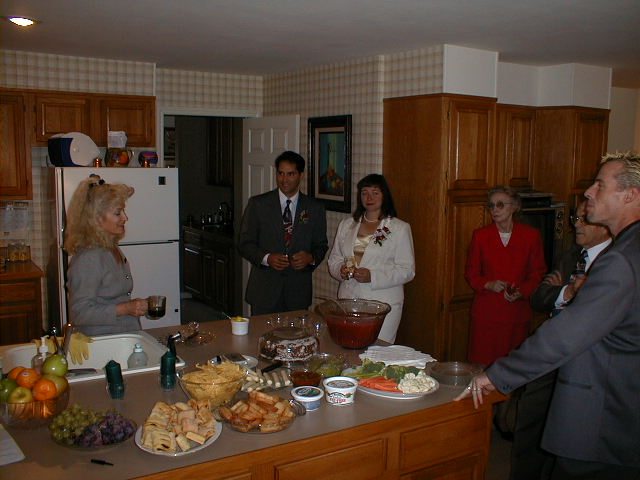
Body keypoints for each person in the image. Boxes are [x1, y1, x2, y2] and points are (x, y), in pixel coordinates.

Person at [457, 152, 640, 479]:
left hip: (603, 417)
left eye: (600, 185)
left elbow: (568, 333)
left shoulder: (619, 260)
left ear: (630, 195)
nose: (588, 192)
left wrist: (497, 375)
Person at [511, 201, 612, 480]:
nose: (576, 225)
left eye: (584, 219)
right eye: (575, 218)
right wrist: (566, 292)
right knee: (531, 422)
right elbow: (539, 297)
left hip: (588, 360)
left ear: (605, 226)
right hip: (549, 353)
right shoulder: (571, 257)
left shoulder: (615, 260)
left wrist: (566, 291)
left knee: (572, 435)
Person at [464, 185, 547, 366]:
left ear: (514, 206)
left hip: (516, 313)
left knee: (512, 366)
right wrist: (488, 284)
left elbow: (537, 273)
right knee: (482, 366)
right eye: (491, 205)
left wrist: (521, 291)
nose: (495, 209)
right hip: (487, 313)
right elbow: (471, 273)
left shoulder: (531, 236)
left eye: (500, 204)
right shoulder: (481, 236)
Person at [327, 174, 415, 343]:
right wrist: (341, 270)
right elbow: (334, 259)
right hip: (349, 299)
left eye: (375, 193)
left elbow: (407, 270)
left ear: (384, 195)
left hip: (382, 303)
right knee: (349, 345)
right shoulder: (347, 225)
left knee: (376, 351)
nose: (369, 198)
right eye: (364, 193)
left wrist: (373, 276)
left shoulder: (398, 228)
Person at [238, 151, 328, 315]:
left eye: (290, 174)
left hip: (297, 292)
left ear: (300, 175)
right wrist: (266, 258)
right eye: (280, 173)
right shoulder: (258, 204)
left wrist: (310, 258)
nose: (284, 179)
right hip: (264, 292)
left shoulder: (315, 208)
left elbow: (321, 245)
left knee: (295, 332)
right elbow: (244, 243)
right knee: (262, 332)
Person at [65, 174, 148, 335]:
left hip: (121, 334)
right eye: (118, 213)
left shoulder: (110, 247)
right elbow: (79, 314)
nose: (125, 218)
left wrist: (135, 307)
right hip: (100, 340)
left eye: (123, 211)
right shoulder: (88, 258)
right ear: (96, 219)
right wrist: (126, 308)